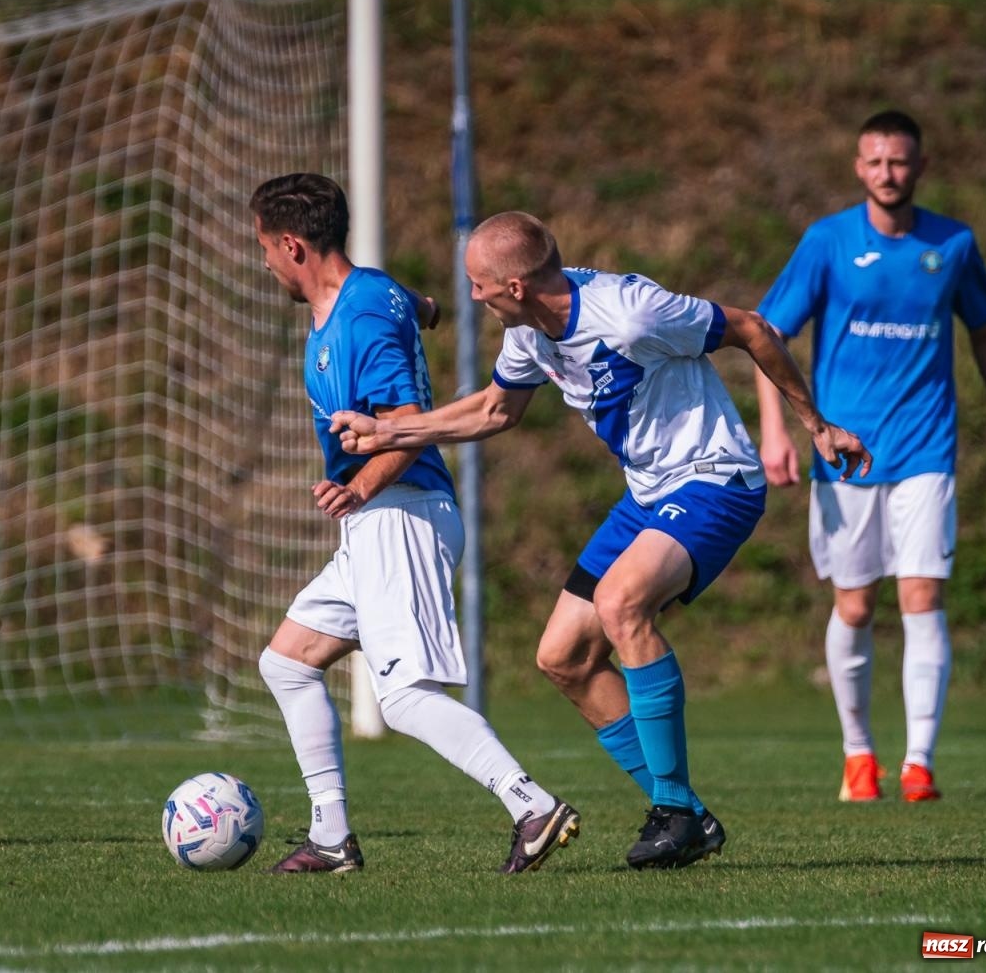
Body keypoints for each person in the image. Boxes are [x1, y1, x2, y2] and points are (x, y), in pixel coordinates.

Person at [331, 211, 870, 869]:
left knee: (621, 603)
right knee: (562, 655)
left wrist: (816, 423)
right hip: (647, 494)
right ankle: (687, 815)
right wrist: (389, 434)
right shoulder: (529, 333)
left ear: (517, 287)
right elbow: (496, 410)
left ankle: (672, 809)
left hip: (714, 477)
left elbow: (752, 327)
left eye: (480, 285)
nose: (473, 297)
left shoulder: (630, 313)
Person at [250, 173, 580, 874]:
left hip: (401, 514)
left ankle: (531, 803)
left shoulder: (362, 316)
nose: (265, 265)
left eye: (265, 250)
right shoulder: (373, 295)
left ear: (291, 244)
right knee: (286, 661)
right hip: (374, 524)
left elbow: (406, 429)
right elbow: (419, 306)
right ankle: (332, 836)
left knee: (401, 698)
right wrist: (423, 307)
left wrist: (357, 486)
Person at [755, 109, 986, 804]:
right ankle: (857, 754)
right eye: (875, 161)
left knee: (922, 595)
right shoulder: (827, 242)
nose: (887, 173)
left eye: (899, 161)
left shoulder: (953, 244)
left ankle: (919, 764)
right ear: (858, 166)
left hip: (926, 449)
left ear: (920, 166)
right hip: (844, 454)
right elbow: (765, 336)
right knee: (854, 604)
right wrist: (778, 431)